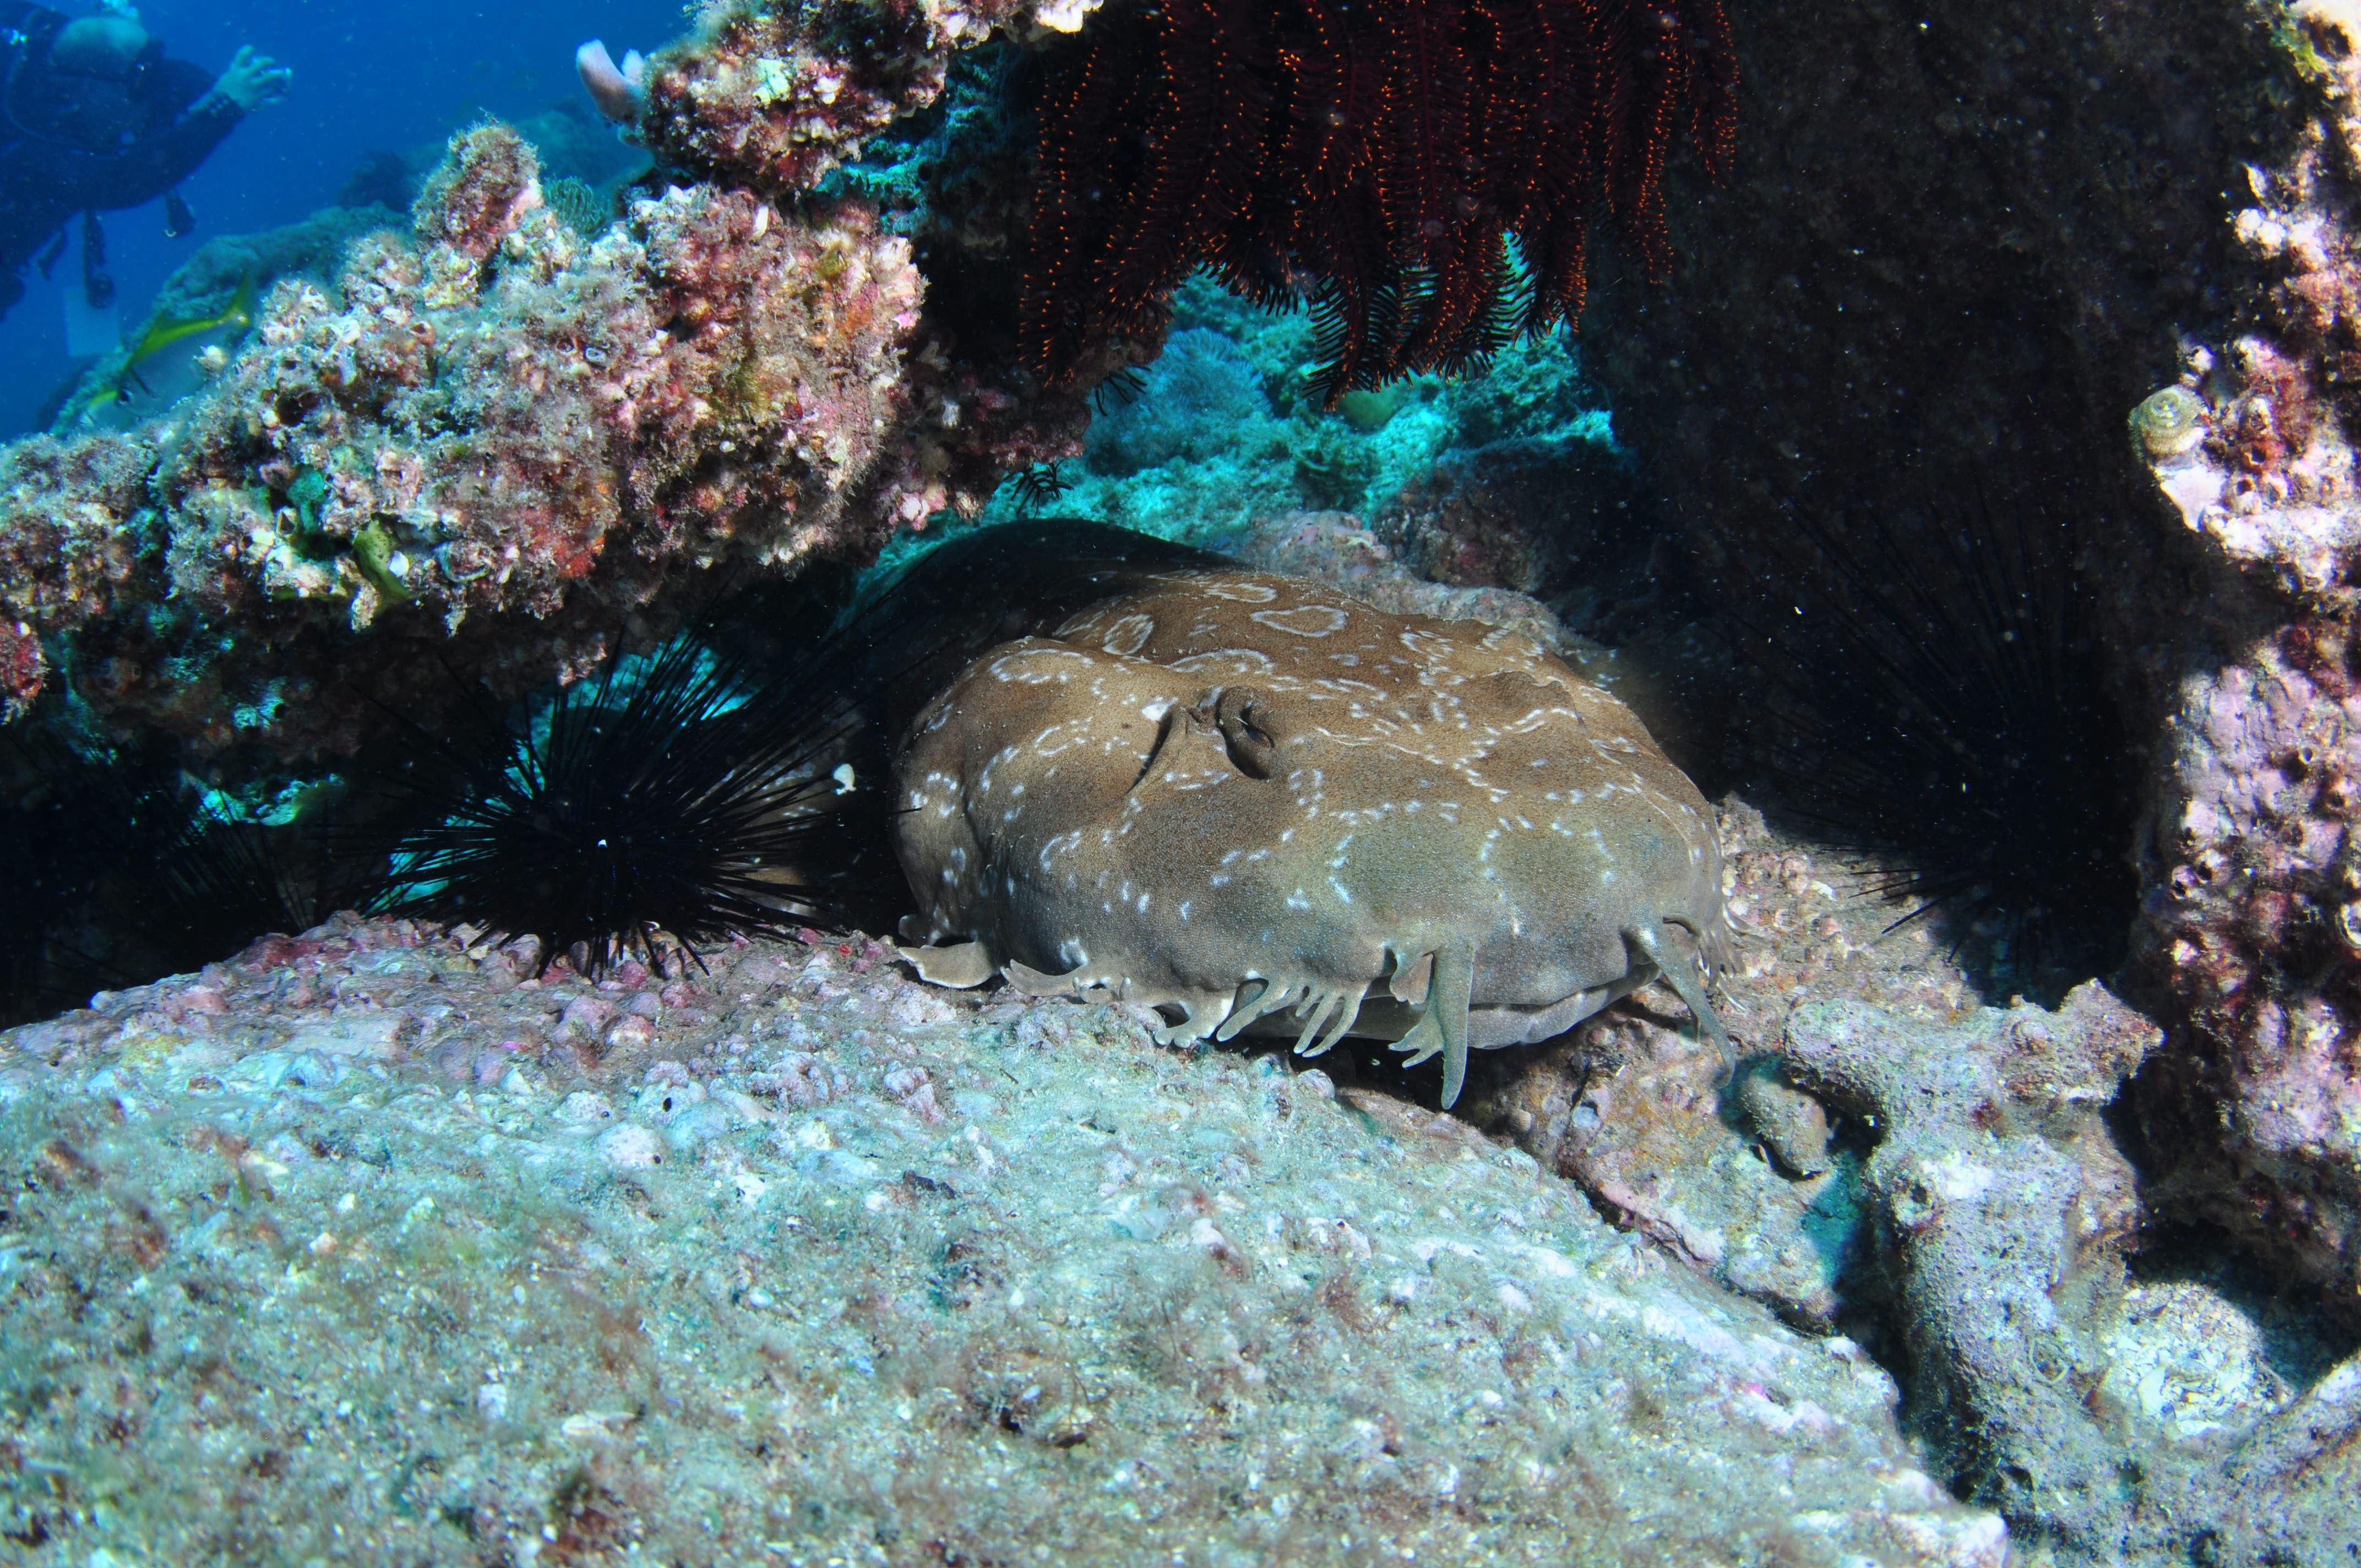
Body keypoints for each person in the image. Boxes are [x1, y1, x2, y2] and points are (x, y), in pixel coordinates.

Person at [0, 5, 289, 323]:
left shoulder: (60, 57)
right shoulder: (20, 147)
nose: (148, 104)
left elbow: (149, 76)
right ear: (88, 87)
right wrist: (223, 107)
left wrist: (229, 86)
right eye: (139, 91)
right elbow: (117, 183)